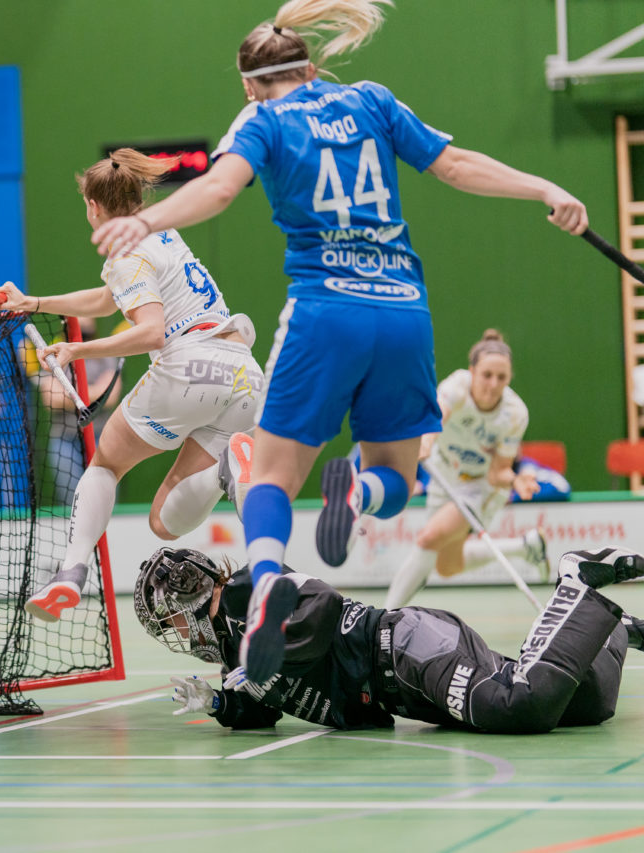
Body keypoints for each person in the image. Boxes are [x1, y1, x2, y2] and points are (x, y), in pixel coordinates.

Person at [90, 0, 588, 682]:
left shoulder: (260, 120)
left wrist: (147, 224)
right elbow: (454, 164)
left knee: (270, 475)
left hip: (326, 311)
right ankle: (356, 490)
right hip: (403, 311)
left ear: (249, 84)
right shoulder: (373, 101)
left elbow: (216, 190)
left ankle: (267, 577)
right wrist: (543, 189)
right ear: (314, 65)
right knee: (401, 473)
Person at [0, 147, 263, 624]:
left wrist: (77, 351)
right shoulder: (163, 234)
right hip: (244, 373)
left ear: (93, 207)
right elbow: (105, 298)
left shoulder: (125, 253)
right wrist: (32, 302)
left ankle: (71, 570)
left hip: (189, 365)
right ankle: (226, 469)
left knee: (105, 465)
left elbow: (151, 332)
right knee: (164, 522)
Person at [137, 546, 644, 734]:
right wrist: (223, 702)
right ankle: (610, 630)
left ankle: (575, 579)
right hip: (403, 694)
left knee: (519, 704)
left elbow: (322, 606)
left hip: (400, 648)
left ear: (186, 604)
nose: (176, 635)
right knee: (587, 701)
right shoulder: (233, 653)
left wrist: (269, 656)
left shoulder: (250, 588)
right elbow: (264, 710)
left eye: (171, 623)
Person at [385, 330, 550, 608]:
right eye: (486, 375)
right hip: (444, 475)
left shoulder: (514, 413)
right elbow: (435, 419)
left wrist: (517, 481)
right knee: (447, 567)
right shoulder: (456, 388)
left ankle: (381, 622)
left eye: (502, 378)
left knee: (428, 538)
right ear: (472, 371)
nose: (493, 384)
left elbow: (498, 473)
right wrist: (425, 441)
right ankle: (525, 546)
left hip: (480, 487)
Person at [37, 317, 123, 505]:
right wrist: (92, 394)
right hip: (65, 439)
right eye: (75, 316)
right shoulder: (54, 356)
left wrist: (70, 395)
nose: (81, 322)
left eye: (85, 316)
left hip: (101, 436)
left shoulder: (106, 354)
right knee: (72, 500)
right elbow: (51, 397)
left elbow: (110, 395)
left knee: (104, 500)